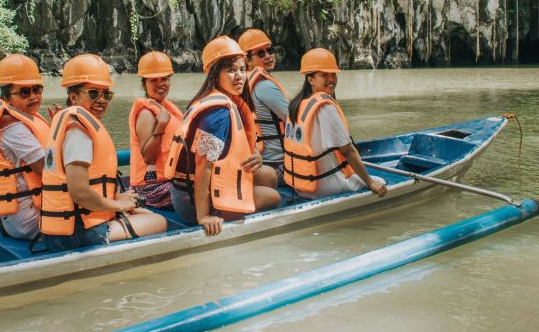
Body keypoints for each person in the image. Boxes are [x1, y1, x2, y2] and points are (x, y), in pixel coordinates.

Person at [40, 54, 167, 251]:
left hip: (70, 227)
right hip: (80, 232)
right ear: (73, 96)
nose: (101, 100)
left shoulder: (72, 123)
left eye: (106, 94)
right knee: (159, 221)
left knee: (140, 212)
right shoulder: (78, 132)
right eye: (93, 94)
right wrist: (119, 206)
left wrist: (119, 201)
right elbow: (79, 193)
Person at [165, 36, 281, 236]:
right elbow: (203, 164)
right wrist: (203, 216)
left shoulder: (220, 100)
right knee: (273, 198)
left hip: (193, 189)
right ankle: (245, 235)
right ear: (214, 74)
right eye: (230, 70)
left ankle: (247, 223)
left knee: (268, 174)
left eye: (242, 69)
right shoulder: (217, 114)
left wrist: (255, 155)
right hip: (191, 200)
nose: (239, 76)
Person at [283, 48, 388, 200]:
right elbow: (348, 150)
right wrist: (370, 182)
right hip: (323, 186)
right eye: (324, 75)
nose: (331, 79)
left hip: (299, 186)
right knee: (382, 182)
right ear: (310, 79)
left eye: (333, 74)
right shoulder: (324, 107)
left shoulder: (297, 104)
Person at [0, 54, 50, 240]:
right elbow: (47, 170)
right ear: (7, 96)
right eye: (24, 92)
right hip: (26, 219)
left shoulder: (21, 117)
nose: (33, 97)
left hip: (22, 212)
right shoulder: (14, 128)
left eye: (37, 89)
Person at [128, 51, 183, 209]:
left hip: (169, 180)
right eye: (154, 80)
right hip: (151, 188)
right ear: (144, 84)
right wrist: (161, 126)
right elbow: (148, 156)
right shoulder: (146, 113)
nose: (160, 84)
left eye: (164, 79)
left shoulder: (167, 107)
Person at [238, 29, 290, 184]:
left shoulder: (241, 84)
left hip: (263, 164)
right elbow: (300, 121)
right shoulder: (264, 86)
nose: (268, 56)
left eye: (270, 50)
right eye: (260, 53)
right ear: (247, 60)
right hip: (279, 166)